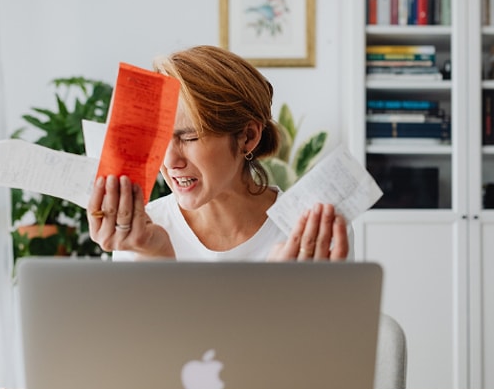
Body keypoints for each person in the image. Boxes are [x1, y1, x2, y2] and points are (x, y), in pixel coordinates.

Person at [87, 45, 350, 261]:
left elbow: (339, 325)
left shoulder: (310, 234)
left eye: (189, 136)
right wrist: (156, 257)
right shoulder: (141, 232)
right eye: (159, 139)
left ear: (248, 137)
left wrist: (288, 294)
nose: (169, 162)